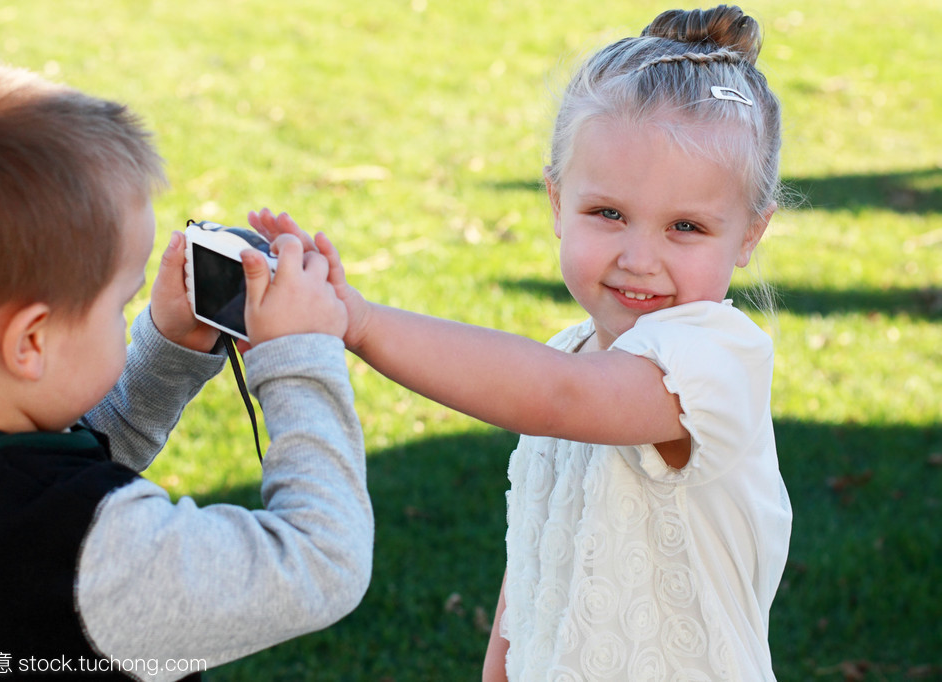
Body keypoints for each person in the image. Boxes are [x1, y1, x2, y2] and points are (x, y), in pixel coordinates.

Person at [256, 4, 792, 680]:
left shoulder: (712, 362)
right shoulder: (568, 350)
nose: (638, 256)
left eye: (684, 227)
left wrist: (356, 321)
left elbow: (558, 397)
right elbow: (538, 558)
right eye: (607, 214)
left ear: (748, 234)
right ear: (555, 201)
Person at [0, 61, 373, 681]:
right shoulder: (92, 550)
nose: (127, 313)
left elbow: (63, 459)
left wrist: (167, 349)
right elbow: (321, 562)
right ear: (30, 340)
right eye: (120, 303)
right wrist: (298, 354)